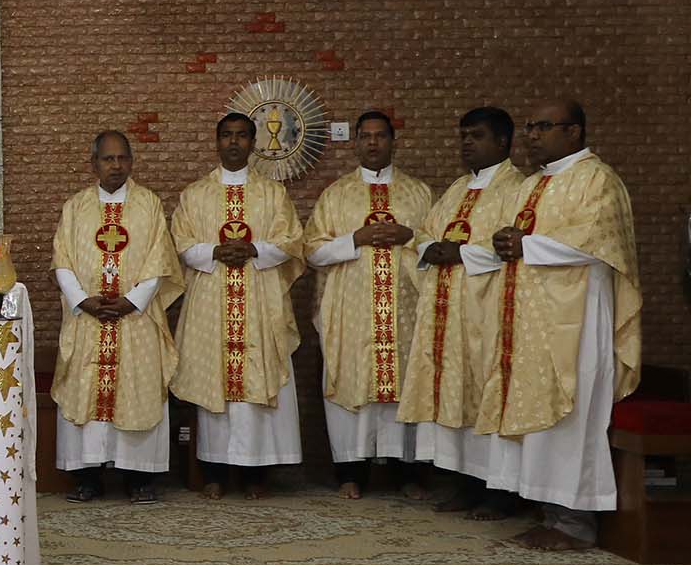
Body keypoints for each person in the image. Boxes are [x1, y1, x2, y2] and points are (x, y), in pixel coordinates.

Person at [474, 99, 642, 550]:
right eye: (530, 126)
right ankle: (550, 512)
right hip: (531, 322)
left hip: (576, 322)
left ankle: (575, 521)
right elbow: (510, 239)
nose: (532, 134)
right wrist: (504, 240)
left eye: (544, 126)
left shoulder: (597, 179)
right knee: (538, 420)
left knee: (572, 416)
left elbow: (598, 239)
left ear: (574, 131)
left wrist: (527, 245)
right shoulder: (532, 184)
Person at [169, 113, 305, 499]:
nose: (233, 142)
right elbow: (180, 243)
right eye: (227, 135)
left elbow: (291, 240)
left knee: (256, 385)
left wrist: (253, 249)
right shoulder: (195, 194)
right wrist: (215, 251)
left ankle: (255, 475)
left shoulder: (272, 194)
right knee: (212, 384)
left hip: (259, 299)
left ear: (253, 142)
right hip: (212, 300)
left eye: (242, 136)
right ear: (216, 142)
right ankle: (213, 471)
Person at [399, 107, 525, 518]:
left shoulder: (516, 188)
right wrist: (429, 249)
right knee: (453, 395)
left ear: (503, 141)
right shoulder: (456, 189)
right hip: (446, 314)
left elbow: (515, 245)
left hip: (488, 312)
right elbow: (425, 232)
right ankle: (465, 484)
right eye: (463, 136)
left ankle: (500, 493)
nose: (467, 143)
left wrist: (462, 253)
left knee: (488, 395)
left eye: (477, 135)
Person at [302, 111, 433, 499]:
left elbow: (438, 245)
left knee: (406, 384)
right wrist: (354, 239)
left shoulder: (419, 193)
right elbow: (312, 251)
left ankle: (406, 473)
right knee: (351, 383)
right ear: (356, 143)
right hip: (353, 310)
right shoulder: (336, 194)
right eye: (365, 136)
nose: (373, 143)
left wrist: (409, 236)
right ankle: (350, 472)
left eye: (380, 136)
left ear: (393, 142)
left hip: (405, 310)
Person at [49, 131, 182, 503]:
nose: (116, 166)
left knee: (136, 391)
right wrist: (82, 300)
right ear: (94, 164)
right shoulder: (75, 207)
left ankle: (138, 478)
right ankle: (87, 477)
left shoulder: (148, 205)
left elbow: (159, 259)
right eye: (108, 159)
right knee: (84, 391)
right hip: (87, 319)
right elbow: (62, 260)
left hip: (135, 319)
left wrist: (132, 301)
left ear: (132, 162)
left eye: (123, 158)